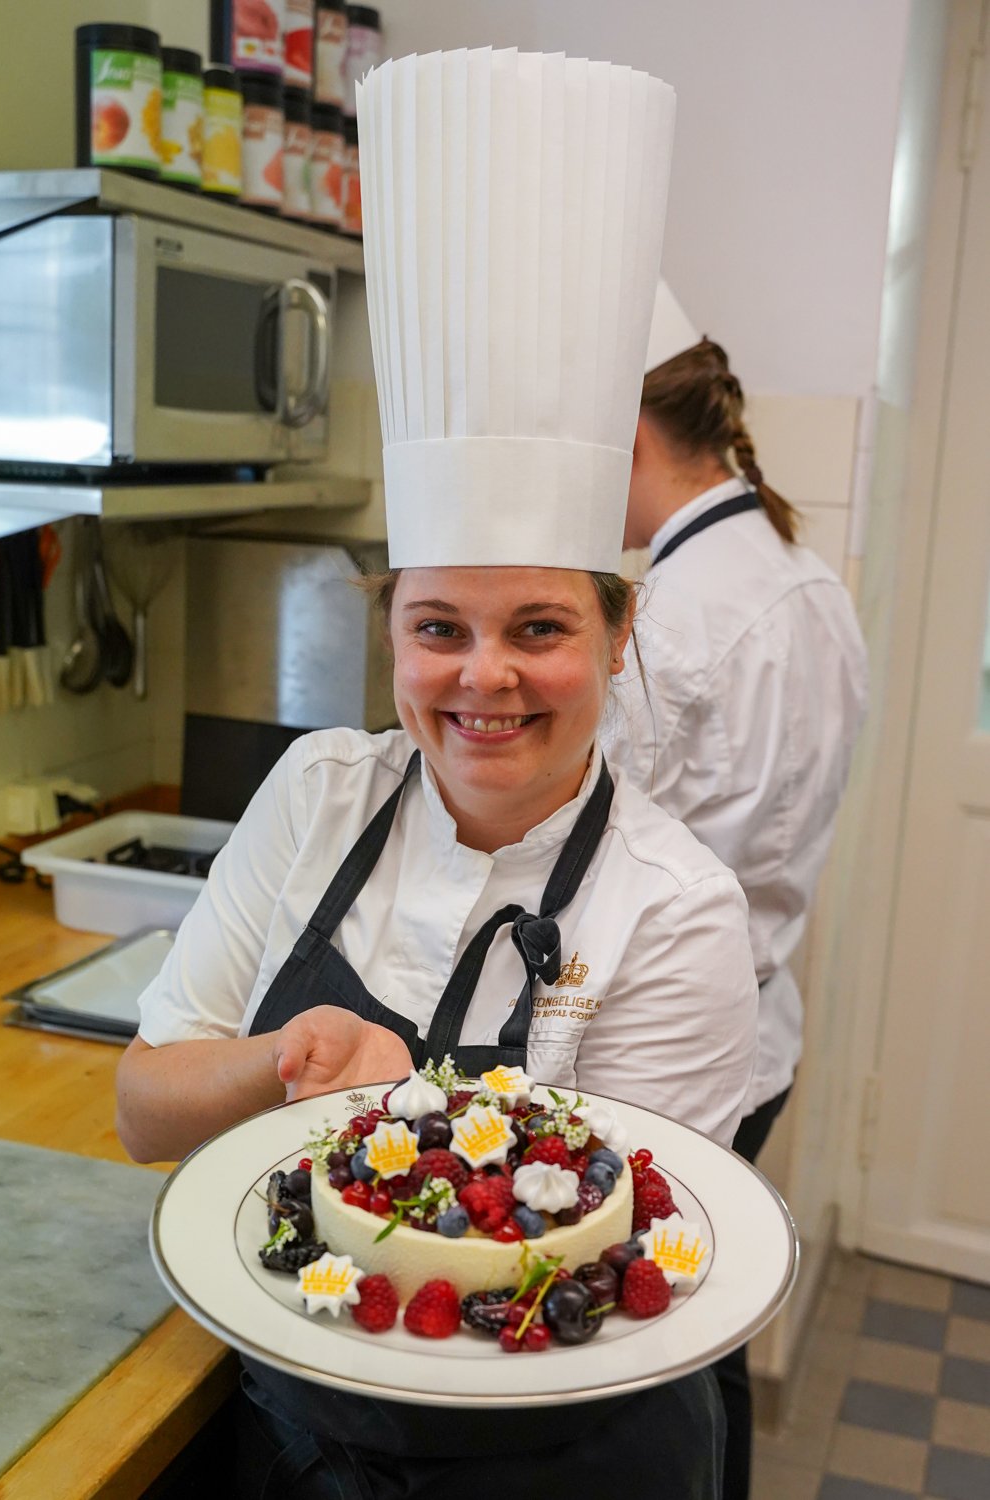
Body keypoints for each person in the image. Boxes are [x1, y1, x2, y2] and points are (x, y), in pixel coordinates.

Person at [118, 50, 758, 1500]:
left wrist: (403, 1113)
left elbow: (620, 1266)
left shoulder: (674, 909)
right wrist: (287, 1058)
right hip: (290, 1431)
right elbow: (146, 1111)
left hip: (565, 1461)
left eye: (539, 628)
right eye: (438, 629)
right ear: (391, 635)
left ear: (616, 636)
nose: (484, 678)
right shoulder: (317, 795)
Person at [603, 336, 869, 1500]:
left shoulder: (671, 616)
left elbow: (583, 843)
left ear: (629, 439)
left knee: (656, 1354)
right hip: (763, 1035)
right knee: (706, 1335)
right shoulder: (809, 578)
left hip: (671, 1056)